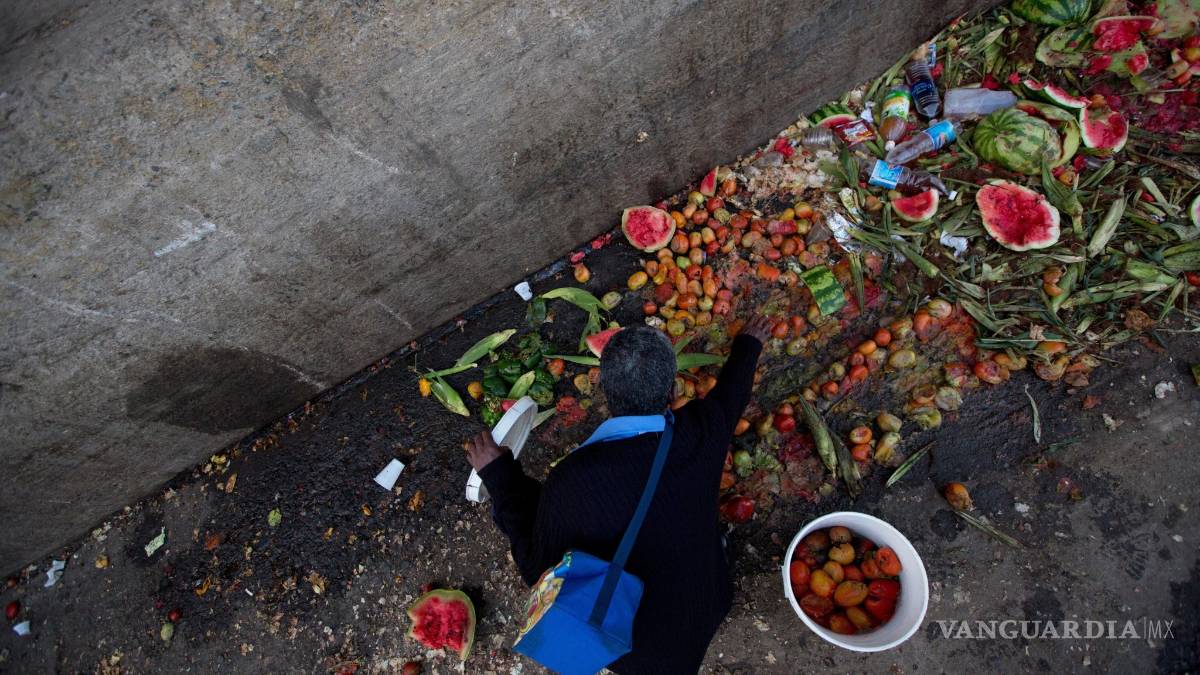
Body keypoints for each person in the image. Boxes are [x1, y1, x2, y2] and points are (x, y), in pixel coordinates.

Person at [464, 316, 773, 673]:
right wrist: (749, 343)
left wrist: (500, 476)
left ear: (606, 391)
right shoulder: (703, 430)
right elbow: (732, 395)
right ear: (672, 392)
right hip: (709, 600)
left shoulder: (575, 479)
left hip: (630, 643)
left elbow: (538, 566)